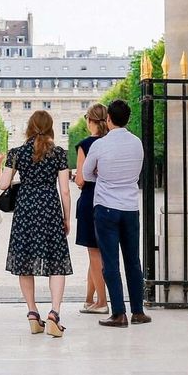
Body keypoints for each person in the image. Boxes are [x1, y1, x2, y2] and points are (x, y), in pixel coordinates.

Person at [0, 110, 73, 337]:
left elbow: (2, 185)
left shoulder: (17, 153)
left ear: (29, 127)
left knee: (24, 260)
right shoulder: (59, 153)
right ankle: (54, 315)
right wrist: (66, 218)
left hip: (26, 210)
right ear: (50, 127)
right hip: (49, 207)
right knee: (57, 260)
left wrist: (11, 170)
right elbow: (66, 191)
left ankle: (32, 313)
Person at [83, 98, 150, 327]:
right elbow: (138, 171)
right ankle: (138, 311)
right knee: (133, 261)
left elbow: (87, 174)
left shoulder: (100, 145)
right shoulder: (137, 143)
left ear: (108, 119)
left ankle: (119, 313)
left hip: (106, 207)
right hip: (130, 207)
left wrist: (103, 178)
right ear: (128, 119)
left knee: (110, 262)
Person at [73, 104, 110, 314]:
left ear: (90, 120)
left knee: (94, 255)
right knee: (97, 253)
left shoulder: (86, 144)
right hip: (107, 199)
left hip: (89, 199)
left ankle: (102, 302)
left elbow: (80, 178)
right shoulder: (109, 143)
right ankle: (89, 299)